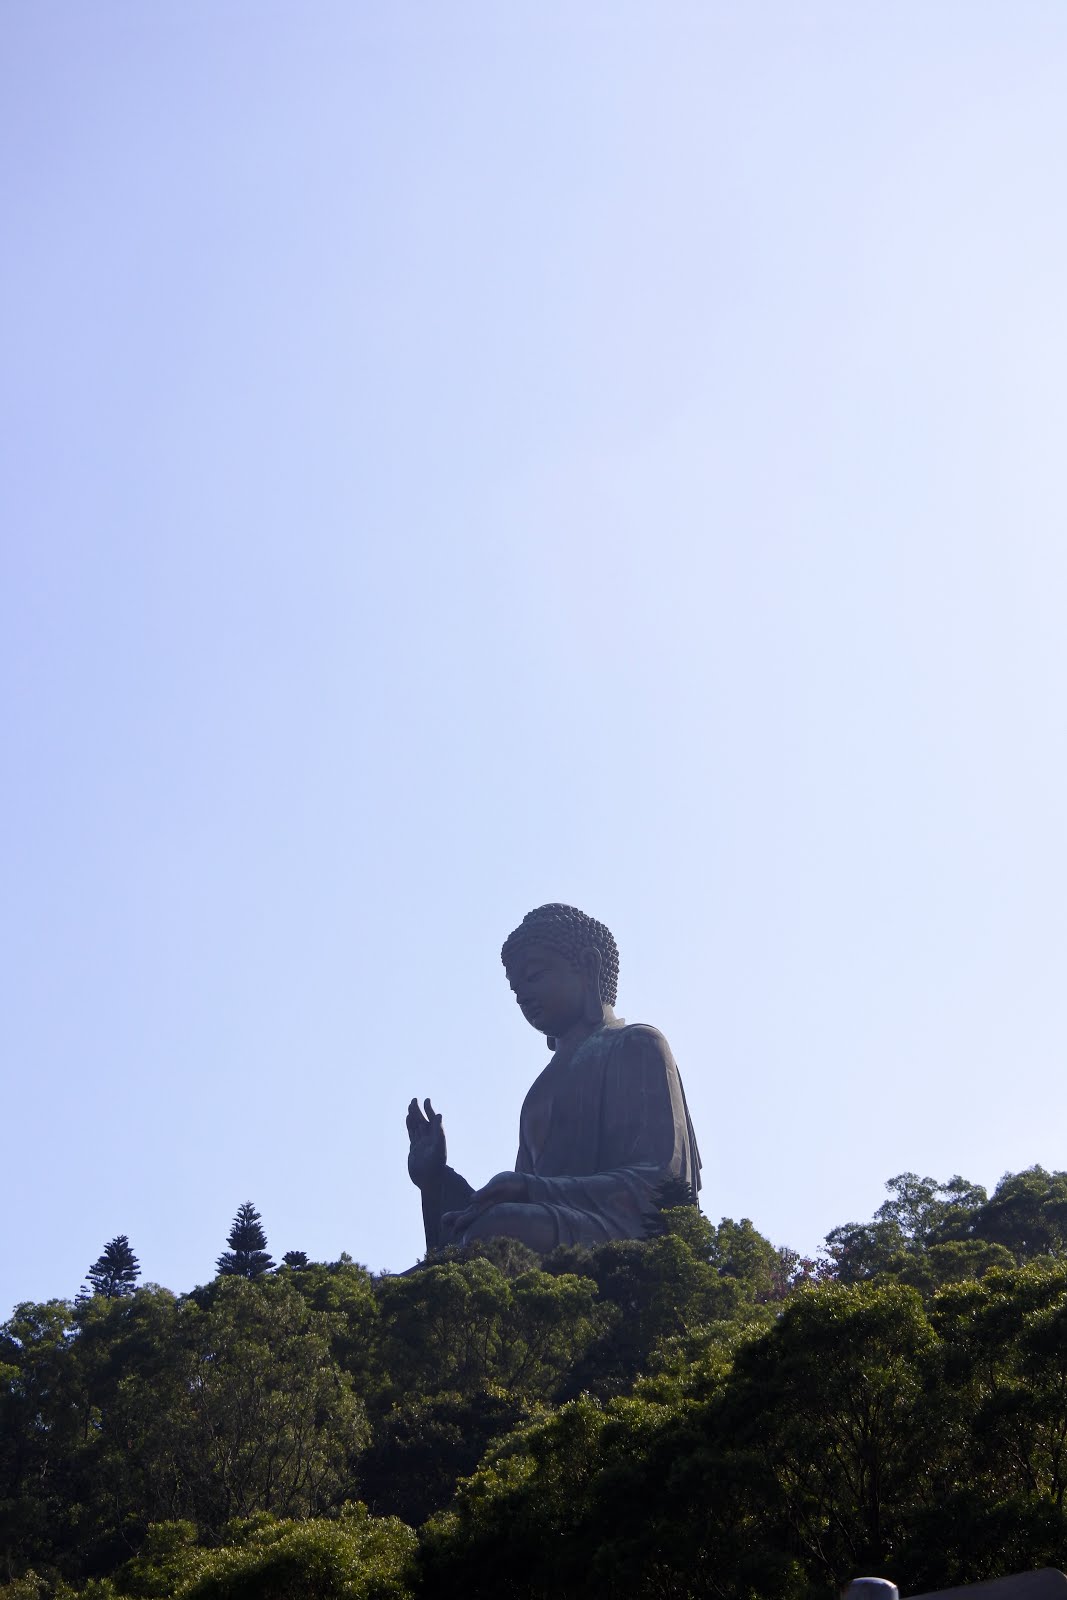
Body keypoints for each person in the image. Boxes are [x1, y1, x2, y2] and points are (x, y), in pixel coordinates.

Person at [406, 903, 701, 1254]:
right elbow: (513, 1202)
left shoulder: (637, 1045)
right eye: (515, 989)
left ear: (589, 966)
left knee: (501, 1228)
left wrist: (531, 1189)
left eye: (534, 977)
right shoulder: (538, 1093)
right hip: (557, 1225)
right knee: (487, 1231)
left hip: (622, 1232)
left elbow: (661, 1182)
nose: (523, 996)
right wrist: (435, 1181)